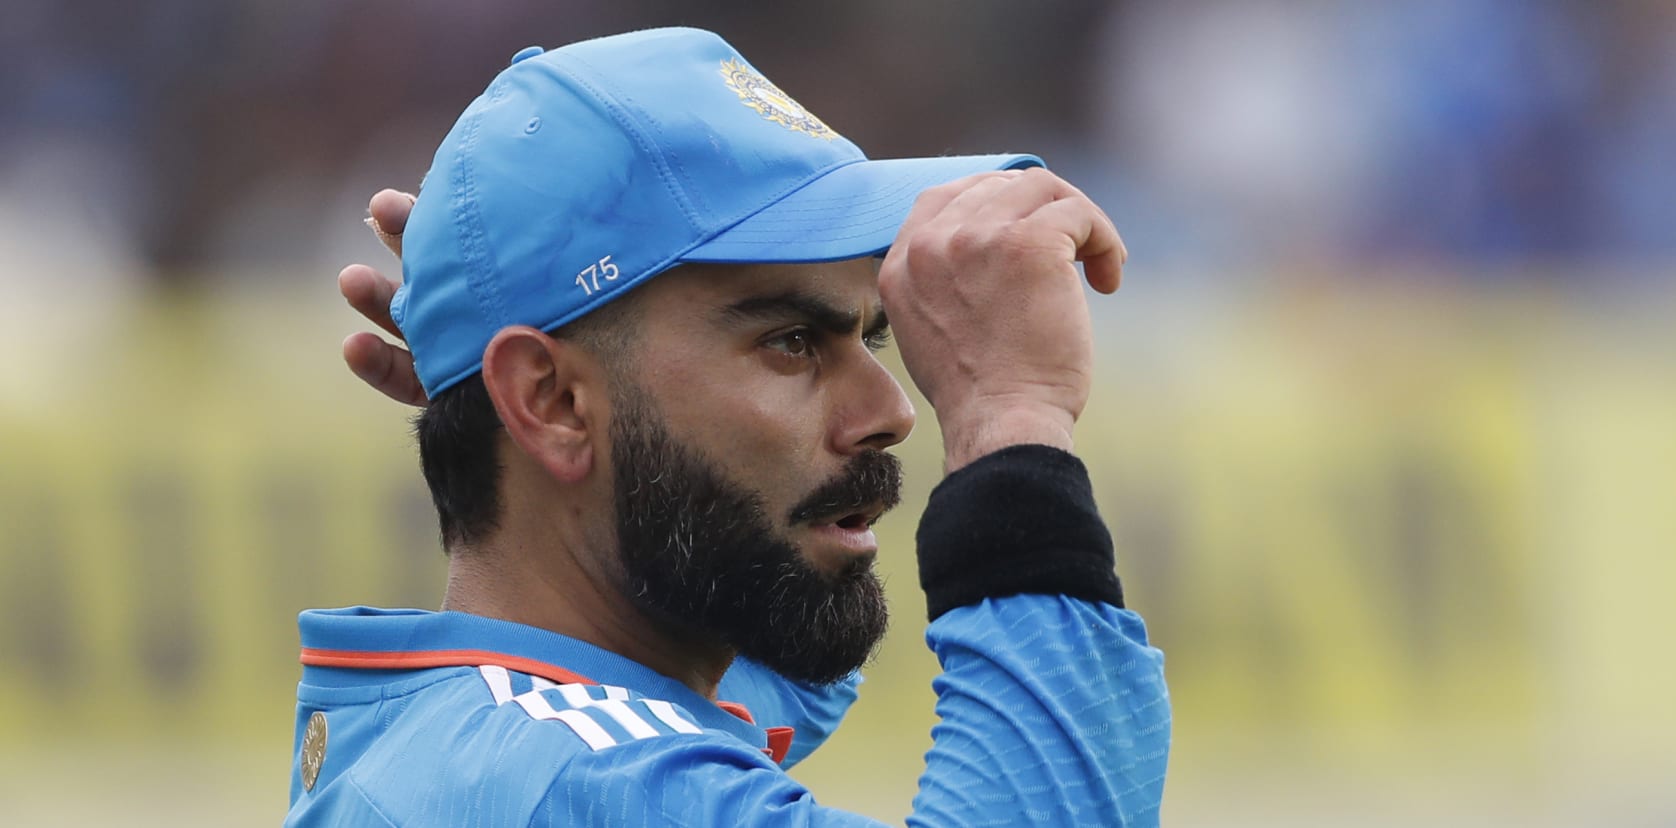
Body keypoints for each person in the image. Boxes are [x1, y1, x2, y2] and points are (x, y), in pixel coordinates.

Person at [287, 27, 1170, 827]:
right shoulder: (585, 781)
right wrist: (1013, 420)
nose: (895, 412)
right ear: (551, 401)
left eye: (871, 336)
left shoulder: (463, 732)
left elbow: (766, 678)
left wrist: (495, 405)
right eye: (792, 343)